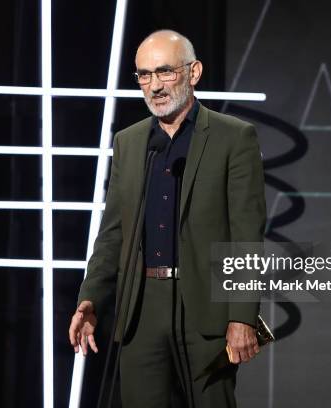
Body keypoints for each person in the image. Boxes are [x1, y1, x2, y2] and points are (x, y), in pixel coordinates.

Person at [68, 29, 266, 407]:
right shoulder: (130, 142)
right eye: (144, 75)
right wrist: (91, 298)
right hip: (141, 311)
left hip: (208, 312)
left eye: (164, 72)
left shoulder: (234, 138)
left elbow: (247, 234)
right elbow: (113, 233)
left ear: (193, 73)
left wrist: (242, 316)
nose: (154, 85)